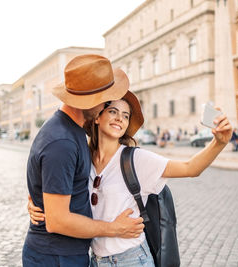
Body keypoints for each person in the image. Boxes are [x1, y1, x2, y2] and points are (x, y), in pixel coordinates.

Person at [29, 91, 233, 266]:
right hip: (95, 260)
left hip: (132, 259)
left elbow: (190, 168)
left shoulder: (137, 159)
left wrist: (218, 143)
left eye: (125, 116)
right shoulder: (83, 157)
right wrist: (35, 203)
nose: (119, 118)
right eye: (113, 111)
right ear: (98, 117)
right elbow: (57, 184)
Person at [22, 54, 145, 267]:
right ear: (91, 100)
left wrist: (37, 200)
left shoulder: (72, 130)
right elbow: (57, 221)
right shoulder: (62, 142)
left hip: (65, 255)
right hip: (56, 258)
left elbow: (54, 182)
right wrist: (114, 228)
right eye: (106, 100)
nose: (106, 105)